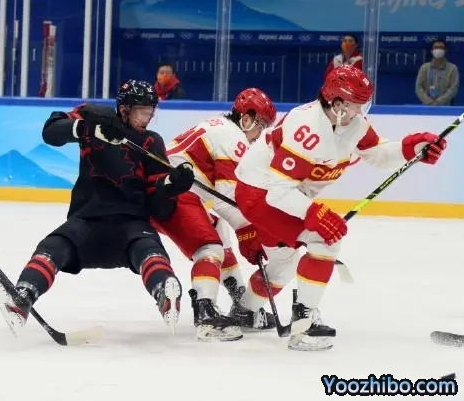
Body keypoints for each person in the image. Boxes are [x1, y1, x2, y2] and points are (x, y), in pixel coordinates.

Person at [233, 65, 447, 351]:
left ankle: (246, 311)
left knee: (283, 266)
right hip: (260, 193)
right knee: (325, 239)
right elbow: (278, 192)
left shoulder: (351, 123)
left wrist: (412, 149)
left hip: (283, 193)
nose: (361, 112)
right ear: (337, 104)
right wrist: (314, 213)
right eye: (357, 105)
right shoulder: (306, 127)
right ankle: (304, 325)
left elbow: (378, 154)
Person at [0, 80, 195, 334]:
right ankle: (22, 298)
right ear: (124, 109)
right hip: (86, 220)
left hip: (130, 223)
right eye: (142, 112)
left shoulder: (151, 142)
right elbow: (51, 132)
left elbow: (158, 206)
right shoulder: (96, 117)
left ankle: (164, 291)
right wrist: (88, 129)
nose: (147, 119)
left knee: (149, 250)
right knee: (52, 247)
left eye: (150, 112)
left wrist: (172, 186)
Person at [151, 88, 277, 341]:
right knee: (210, 249)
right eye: (261, 125)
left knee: (220, 234)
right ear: (247, 118)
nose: (259, 135)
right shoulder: (233, 138)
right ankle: (205, 313)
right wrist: (248, 231)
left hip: (167, 191)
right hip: (173, 193)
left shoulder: (219, 126)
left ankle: (240, 302)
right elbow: (227, 199)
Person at [415, 39, 459, 106]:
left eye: (441, 47)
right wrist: (429, 102)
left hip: (445, 107)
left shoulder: (452, 68)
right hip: (426, 106)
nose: (438, 49)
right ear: (431, 51)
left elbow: (453, 89)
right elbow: (418, 88)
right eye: (436, 47)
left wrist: (439, 102)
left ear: (445, 51)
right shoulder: (424, 68)